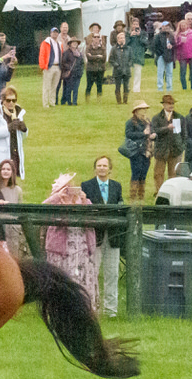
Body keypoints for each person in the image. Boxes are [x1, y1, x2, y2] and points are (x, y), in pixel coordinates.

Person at [43, 173, 100, 314]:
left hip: (82, 246)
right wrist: (60, 199)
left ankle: (84, 309)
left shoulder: (85, 202)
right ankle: (60, 309)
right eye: (65, 187)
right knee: (62, 277)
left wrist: (84, 200)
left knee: (82, 277)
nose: (69, 190)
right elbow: (43, 210)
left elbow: (92, 221)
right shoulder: (55, 202)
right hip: (61, 249)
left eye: (71, 186)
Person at [80, 156, 124, 317]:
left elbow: (121, 205)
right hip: (94, 236)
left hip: (113, 236)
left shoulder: (116, 186)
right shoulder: (86, 186)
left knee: (112, 273)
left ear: (109, 168)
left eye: (105, 165)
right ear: (95, 168)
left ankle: (111, 310)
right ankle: (92, 307)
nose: (102, 168)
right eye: (99, 165)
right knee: (93, 273)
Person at [0, 88, 27, 182]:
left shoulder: (18, 114)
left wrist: (24, 130)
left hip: (14, 154)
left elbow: (20, 137)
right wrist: (8, 128)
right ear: (3, 100)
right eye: (8, 100)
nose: (11, 103)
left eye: (14, 100)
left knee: (11, 185)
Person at [149, 93, 183, 193]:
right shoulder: (157, 118)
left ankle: (171, 193)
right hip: (161, 150)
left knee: (173, 174)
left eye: (172, 103)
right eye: (169, 103)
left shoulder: (179, 117)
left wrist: (181, 146)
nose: (171, 105)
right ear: (163, 105)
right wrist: (167, 128)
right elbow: (154, 131)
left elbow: (184, 134)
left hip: (175, 150)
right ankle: (159, 192)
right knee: (158, 174)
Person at [121, 100, 153, 201]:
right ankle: (133, 196)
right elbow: (129, 134)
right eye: (142, 109)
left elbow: (152, 133)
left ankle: (141, 196)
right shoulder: (130, 122)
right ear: (136, 111)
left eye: (145, 109)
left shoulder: (147, 121)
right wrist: (143, 134)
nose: (144, 111)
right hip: (135, 151)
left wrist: (153, 136)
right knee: (136, 173)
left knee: (144, 173)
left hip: (146, 151)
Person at [0, 158, 25, 258]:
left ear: (12, 172)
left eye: (8, 169)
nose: (5, 171)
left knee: (13, 256)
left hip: (13, 228)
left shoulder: (17, 190)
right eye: (3, 169)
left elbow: (20, 209)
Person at [38, 24, 63, 108]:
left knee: (54, 86)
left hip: (58, 67)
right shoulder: (46, 43)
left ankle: (52, 102)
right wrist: (43, 66)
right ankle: (45, 103)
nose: (55, 34)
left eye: (56, 33)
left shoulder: (59, 44)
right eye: (53, 32)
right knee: (47, 86)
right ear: (50, 33)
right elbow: (42, 55)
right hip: (49, 66)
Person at [175, 13, 192, 90]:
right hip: (182, 55)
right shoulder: (178, 34)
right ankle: (184, 87)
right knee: (183, 72)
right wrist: (180, 42)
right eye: (182, 26)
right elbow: (175, 45)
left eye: (185, 25)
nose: (183, 27)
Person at [150, 18, 176, 93]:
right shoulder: (158, 36)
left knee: (169, 73)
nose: (166, 28)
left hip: (169, 56)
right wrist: (160, 54)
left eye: (167, 26)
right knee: (160, 73)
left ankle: (169, 88)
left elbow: (175, 45)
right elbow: (154, 46)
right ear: (162, 27)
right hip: (161, 57)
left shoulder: (171, 36)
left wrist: (172, 47)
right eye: (164, 26)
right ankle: (160, 88)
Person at [108, 27, 133, 104]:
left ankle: (125, 101)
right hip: (117, 71)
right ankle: (119, 101)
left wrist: (129, 64)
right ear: (117, 39)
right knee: (117, 87)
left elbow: (131, 59)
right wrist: (116, 65)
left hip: (126, 70)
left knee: (126, 87)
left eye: (123, 38)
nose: (122, 39)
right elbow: (111, 59)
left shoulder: (129, 48)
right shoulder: (114, 49)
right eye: (120, 38)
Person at [83, 22, 107, 100]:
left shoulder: (103, 48)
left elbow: (104, 58)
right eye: (94, 37)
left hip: (100, 69)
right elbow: (88, 57)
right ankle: (87, 100)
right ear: (92, 38)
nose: (96, 38)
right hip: (90, 69)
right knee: (89, 85)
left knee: (99, 85)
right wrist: (98, 56)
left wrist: (93, 56)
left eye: (97, 37)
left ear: (99, 38)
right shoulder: (88, 47)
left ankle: (99, 100)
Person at [124, 17, 147, 95]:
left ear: (139, 25)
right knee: (128, 73)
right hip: (129, 56)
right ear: (131, 25)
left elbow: (145, 43)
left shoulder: (143, 33)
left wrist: (139, 36)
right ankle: (128, 87)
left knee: (138, 73)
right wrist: (130, 36)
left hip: (138, 55)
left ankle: (136, 89)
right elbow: (125, 44)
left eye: (136, 24)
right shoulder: (127, 33)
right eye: (134, 24)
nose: (135, 25)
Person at [58, 37, 83, 105]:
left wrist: (81, 72)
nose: (75, 44)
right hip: (70, 74)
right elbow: (63, 62)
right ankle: (69, 102)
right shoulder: (66, 53)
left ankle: (74, 102)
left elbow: (82, 63)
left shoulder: (80, 54)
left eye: (76, 43)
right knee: (69, 88)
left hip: (77, 74)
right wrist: (69, 67)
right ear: (70, 44)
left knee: (76, 89)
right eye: (73, 42)